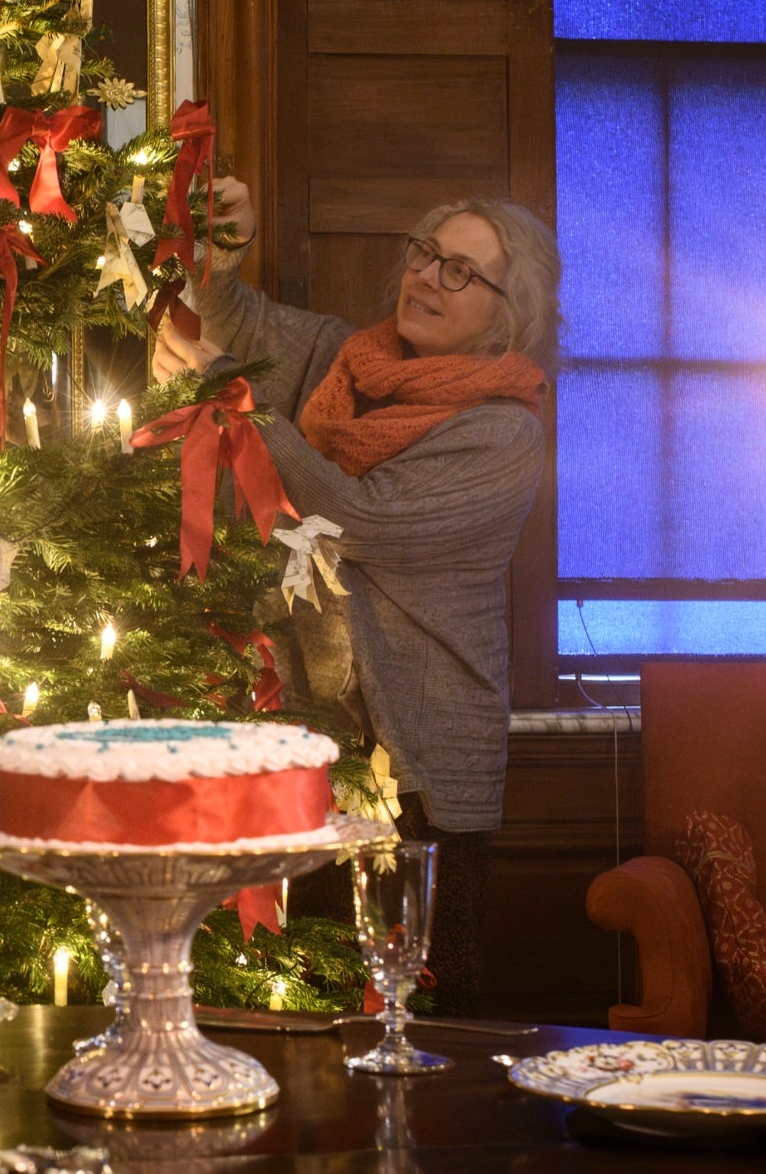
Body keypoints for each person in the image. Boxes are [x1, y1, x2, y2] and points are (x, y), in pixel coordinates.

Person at [154, 180, 556, 1013]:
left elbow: (358, 519)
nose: (427, 278)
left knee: (415, 1015)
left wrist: (227, 389)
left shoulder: (504, 433)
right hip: (306, 743)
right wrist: (220, 255)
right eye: (425, 254)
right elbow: (241, 324)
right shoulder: (349, 359)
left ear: (507, 311)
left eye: (460, 273)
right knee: (300, 1009)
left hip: (418, 773)